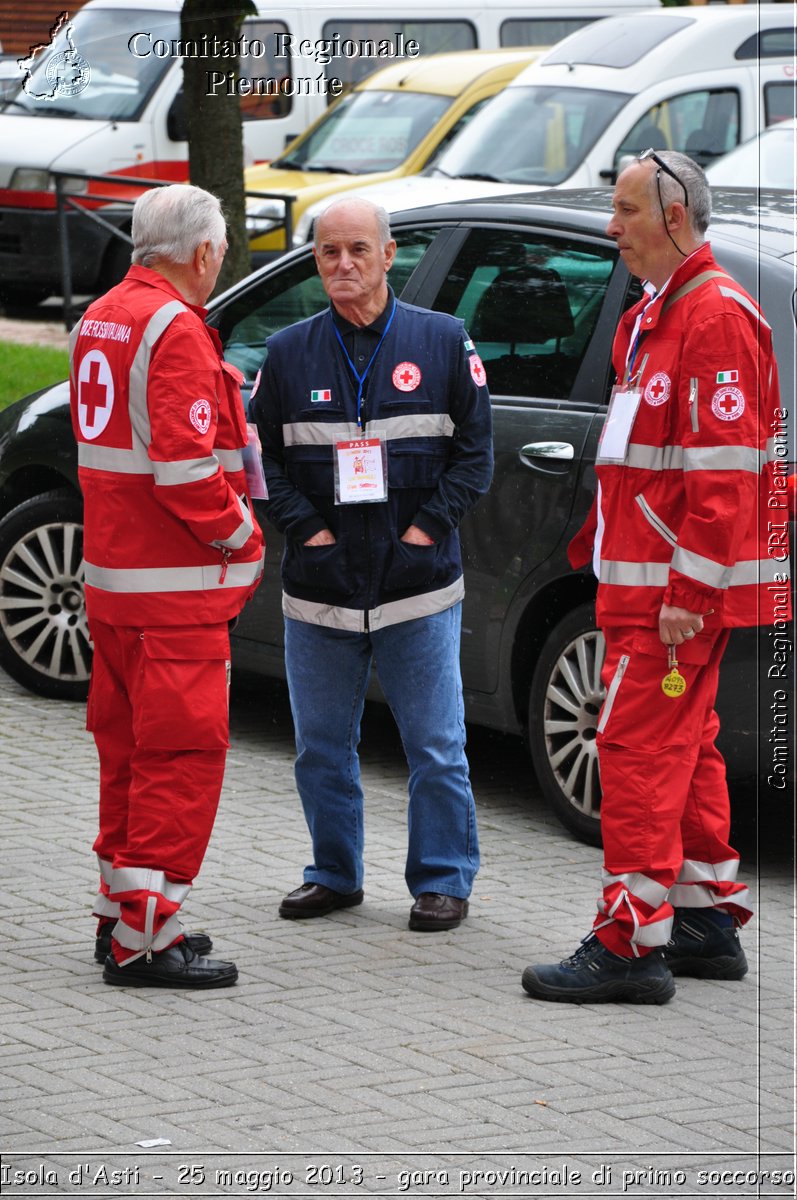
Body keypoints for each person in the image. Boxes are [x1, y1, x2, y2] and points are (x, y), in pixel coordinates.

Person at [521, 150, 788, 1004]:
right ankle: (702, 917)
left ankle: (628, 943)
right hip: (644, 587)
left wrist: (688, 593)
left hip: (671, 597)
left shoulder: (711, 317)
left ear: (672, 218)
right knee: (685, 748)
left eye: (626, 212)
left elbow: (723, 478)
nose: (611, 228)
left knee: (633, 752)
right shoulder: (660, 311)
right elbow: (649, 462)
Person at [251, 196, 493, 931]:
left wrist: (422, 533)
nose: (343, 265)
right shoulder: (288, 353)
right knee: (321, 749)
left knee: (435, 748)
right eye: (328, 253)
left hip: (416, 590)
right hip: (319, 593)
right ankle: (333, 874)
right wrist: (309, 535)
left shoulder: (445, 341)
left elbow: (474, 458)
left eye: (358, 250)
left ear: (390, 255)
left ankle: (443, 879)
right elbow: (264, 464)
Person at [69, 183, 265, 988]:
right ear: (204, 253)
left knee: (127, 755)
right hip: (175, 594)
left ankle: (123, 913)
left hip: (115, 585)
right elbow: (186, 474)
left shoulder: (102, 315)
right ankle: (147, 939)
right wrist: (243, 538)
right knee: (179, 759)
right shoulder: (174, 327)